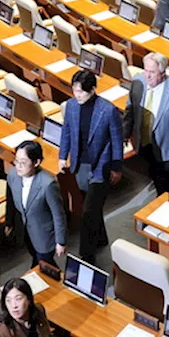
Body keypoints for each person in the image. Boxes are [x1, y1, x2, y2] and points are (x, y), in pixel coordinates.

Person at [59, 70, 124, 262]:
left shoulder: (108, 110)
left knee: (87, 213)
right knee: (92, 207)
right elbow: (67, 132)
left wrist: (117, 168)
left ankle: (86, 256)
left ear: (93, 89)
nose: (77, 95)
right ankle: (101, 238)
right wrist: (63, 156)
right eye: (75, 90)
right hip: (80, 165)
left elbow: (117, 141)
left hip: (100, 166)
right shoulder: (71, 106)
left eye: (81, 91)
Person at [124, 53, 169, 196]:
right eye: (146, 70)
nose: (147, 76)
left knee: (166, 183)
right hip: (144, 142)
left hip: (168, 146)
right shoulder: (138, 81)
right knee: (153, 171)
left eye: (152, 72)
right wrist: (125, 134)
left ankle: (166, 203)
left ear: (163, 73)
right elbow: (130, 109)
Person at [5, 140, 67, 266]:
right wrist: (9, 222)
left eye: (23, 162)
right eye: (17, 161)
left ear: (36, 162)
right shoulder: (13, 174)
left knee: (45, 264)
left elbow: (58, 214)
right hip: (25, 231)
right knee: (37, 259)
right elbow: (10, 199)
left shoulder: (48, 184)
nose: (18, 166)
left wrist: (61, 241)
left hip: (44, 236)